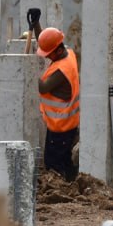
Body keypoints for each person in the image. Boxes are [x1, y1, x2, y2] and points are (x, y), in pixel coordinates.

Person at [33, 24, 80, 180]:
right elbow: (50, 44)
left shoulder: (61, 70)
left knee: (53, 162)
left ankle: (61, 190)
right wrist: (37, 27)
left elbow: (43, 87)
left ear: (58, 51)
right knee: (65, 158)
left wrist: (27, 68)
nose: (46, 56)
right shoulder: (68, 54)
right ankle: (72, 183)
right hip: (68, 122)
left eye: (48, 54)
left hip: (61, 125)